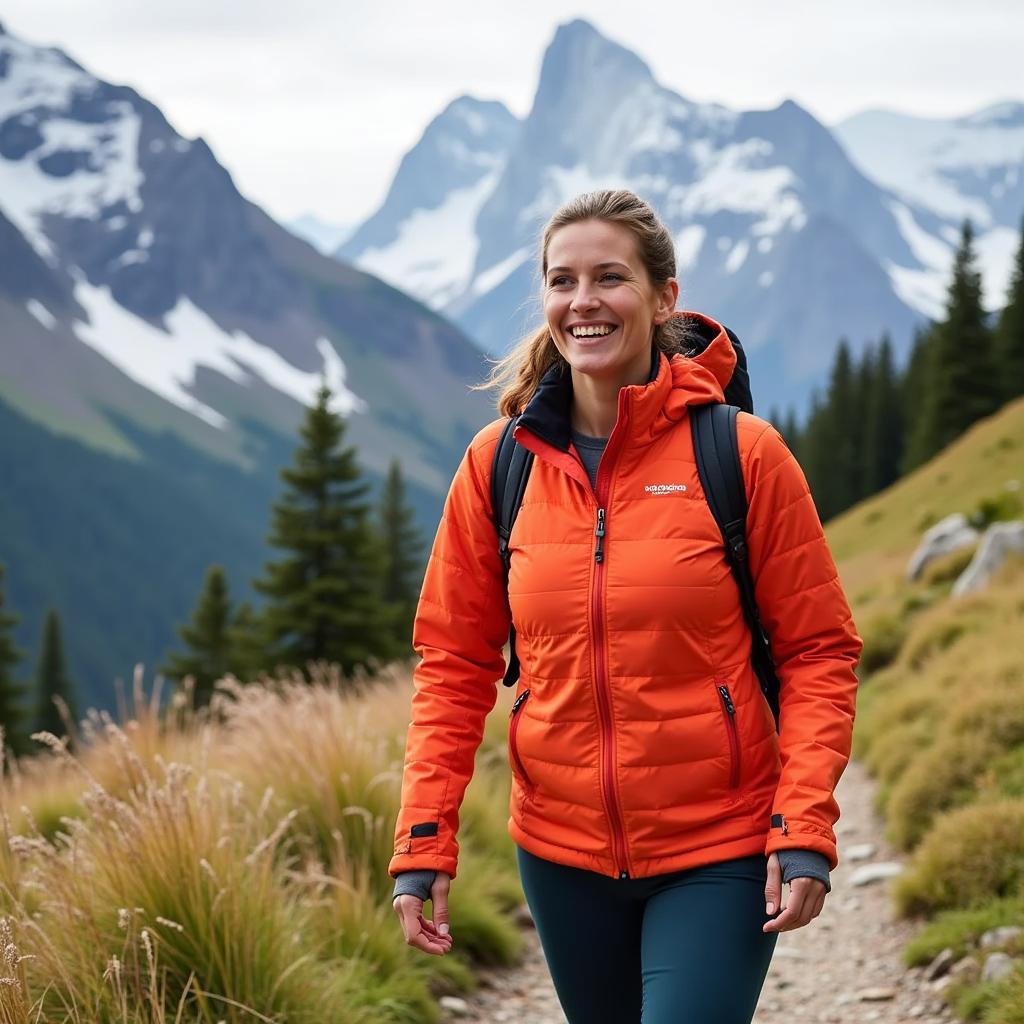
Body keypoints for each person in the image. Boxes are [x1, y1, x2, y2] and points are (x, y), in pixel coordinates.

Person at [389, 189, 861, 1023]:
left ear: (663, 296)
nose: (584, 302)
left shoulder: (740, 454)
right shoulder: (500, 466)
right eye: (562, 280)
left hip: (719, 843)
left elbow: (819, 651)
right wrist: (424, 834)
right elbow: (454, 666)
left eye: (610, 277)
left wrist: (804, 823)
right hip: (560, 852)